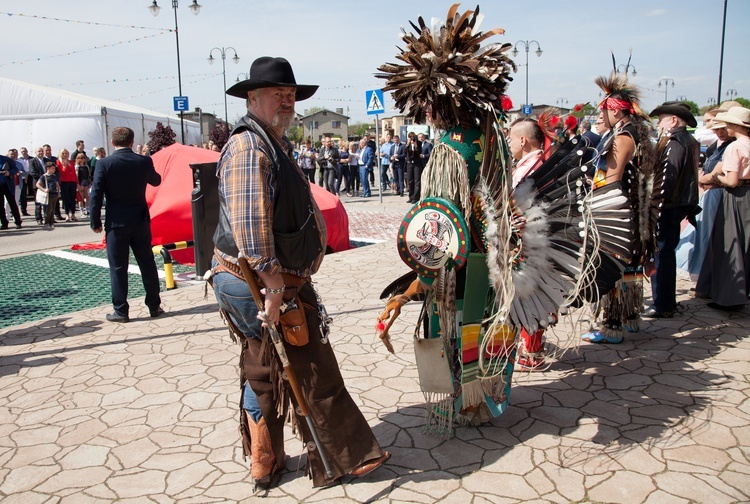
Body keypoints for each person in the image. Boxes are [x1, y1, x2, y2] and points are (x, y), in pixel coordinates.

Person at [375, 5, 601, 434]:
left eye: (425, 101)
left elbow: (439, 224)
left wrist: (417, 281)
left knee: (458, 322)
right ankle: (484, 395)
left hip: (459, 259)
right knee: (486, 318)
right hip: (494, 252)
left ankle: (465, 399)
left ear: (436, 99)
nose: (424, 110)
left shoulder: (447, 149)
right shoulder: (491, 138)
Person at [210, 56, 388, 490]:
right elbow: (251, 227)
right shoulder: (250, 148)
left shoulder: (269, 140)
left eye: (291, 95)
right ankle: (340, 457)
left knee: (263, 364)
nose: (287, 102)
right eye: (278, 94)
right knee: (310, 367)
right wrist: (272, 287)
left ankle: (264, 460)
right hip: (258, 281)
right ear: (253, 98)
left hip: (262, 280)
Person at [582, 73, 656, 342]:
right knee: (628, 262)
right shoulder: (634, 132)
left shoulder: (623, 136)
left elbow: (611, 178)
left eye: (604, 110)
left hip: (615, 208)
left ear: (614, 110)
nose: (602, 115)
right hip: (632, 209)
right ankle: (630, 317)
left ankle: (612, 325)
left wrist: (591, 188)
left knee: (612, 261)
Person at [89, 126, 164, 323]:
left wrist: (94, 220)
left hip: (116, 222)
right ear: (132, 142)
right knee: (147, 264)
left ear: (113, 143)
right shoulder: (143, 161)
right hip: (140, 220)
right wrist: (146, 162)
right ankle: (154, 306)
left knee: (118, 267)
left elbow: (96, 193)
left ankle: (121, 311)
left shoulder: (104, 163)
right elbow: (156, 181)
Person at [644, 102, 700, 319]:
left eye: (662, 118)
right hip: (675, 204)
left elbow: (668, 177)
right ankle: (665, 302)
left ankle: (663, 303)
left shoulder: (675, 142)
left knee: (662, 254)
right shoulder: (688, 140)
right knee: (665, 254)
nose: (659, 124)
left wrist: (655, 202)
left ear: (674, 120)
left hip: (667, 206)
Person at [695, 106, 750, 310]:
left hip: (735, 196)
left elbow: (732, 180)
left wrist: (716, 177)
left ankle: (730, 297)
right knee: (744, 245)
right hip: (747, 196)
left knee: (729, 244)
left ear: (735, 125)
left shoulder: (735, 147)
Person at [676, 110, 734, 278]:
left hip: (719, 194)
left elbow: (715, 174)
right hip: (711, 194)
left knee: (712, 238)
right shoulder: (718, 146)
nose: (719, 132)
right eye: (716, 128)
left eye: (722, 128)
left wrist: (707, 179)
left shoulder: (731, 147)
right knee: (704, 237)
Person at [508, 118, 546, 187]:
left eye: (511, 140)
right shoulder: (542, 161)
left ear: (522, 141)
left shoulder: (523, 172)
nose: (509, 144)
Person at [0, 153, 22, 229]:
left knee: (12, 203)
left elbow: (15, 169)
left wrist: (9, 172)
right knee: (0, 206)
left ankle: (18, 222)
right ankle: (4, 223)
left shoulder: (6, 159)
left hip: (7, 185)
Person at [36, 161, 60, 229]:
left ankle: (51, 221)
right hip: (48, 195)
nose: (54, 170)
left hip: (54, 194)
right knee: (48, 209)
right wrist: (44, 190)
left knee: (52, 209)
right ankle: (47, 222)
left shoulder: (54, 176)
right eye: (52, 168)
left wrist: (58, 193)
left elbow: (57, 185)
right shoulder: (44, 176)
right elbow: (38, 184)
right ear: (48, 168)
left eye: (54, 168)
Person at [56, 149, 78, 221]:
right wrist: (64, 166)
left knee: (73, 198)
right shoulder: (58, 162)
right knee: (66, 199)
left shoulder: (71, 162)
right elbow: (62, 173)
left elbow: (74, 173)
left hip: (72, 181)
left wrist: (77, 183)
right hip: (64, 182)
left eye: (66, 153)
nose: (65, 155)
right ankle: (67, 214)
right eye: (63, 153)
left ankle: (73, 214)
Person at [29, 147, 47, 225]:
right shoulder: (32, 161)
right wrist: (43, 178)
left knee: (47, 202)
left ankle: (48, 218)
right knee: (38, 203)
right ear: (35, 152)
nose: (41, 153)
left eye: (42, 151)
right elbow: (33, 172)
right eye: (39, 151)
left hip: (47, 184)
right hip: (38, 184)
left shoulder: (46, 160)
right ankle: (39, 218)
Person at [405, 132, 422, 203]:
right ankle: (411, 197)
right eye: (410, 137)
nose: (412, 138)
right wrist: (407, 144)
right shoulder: (408, 143)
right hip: (410, 164)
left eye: (413, 137)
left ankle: (416, 197)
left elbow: (419, 152)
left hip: (417, 164)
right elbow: (404, 152)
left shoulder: (419, 143)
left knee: (417, 181)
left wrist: (416, 146)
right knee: (410, 181)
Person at [18, 147, 32, 216]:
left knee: (34, 193)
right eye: (22, 151)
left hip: (32, 177)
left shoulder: (32, 158)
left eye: (24, 151)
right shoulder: (19, 160)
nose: (24, 152)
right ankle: (23, 210)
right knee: (23, 195)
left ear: (27, 151)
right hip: (24, 178)